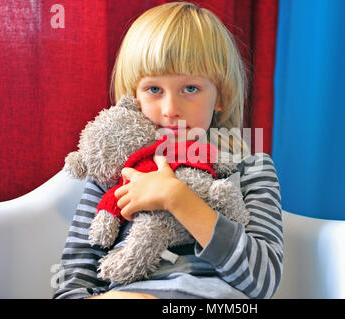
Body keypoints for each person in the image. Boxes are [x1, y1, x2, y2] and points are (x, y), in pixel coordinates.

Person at [53, 1, 283, 299]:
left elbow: (262, 281)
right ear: (132, 96)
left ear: (221, 96)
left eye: (190, 89)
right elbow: (69, 289)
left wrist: (179, 200)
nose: (171, 109)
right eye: (154, 90)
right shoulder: (110, 172)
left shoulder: (251, 169)